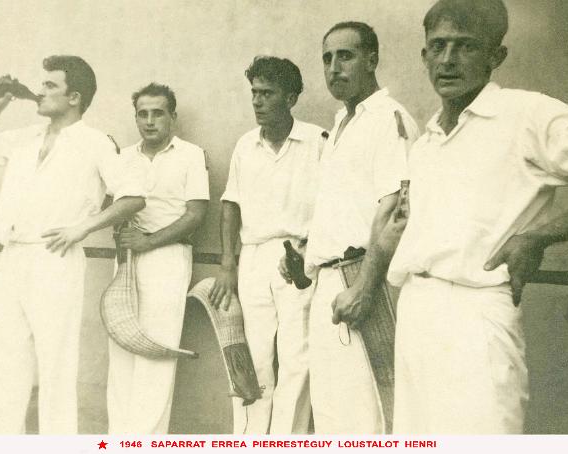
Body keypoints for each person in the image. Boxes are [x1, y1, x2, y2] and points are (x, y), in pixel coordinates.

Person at [386, 0, 568, 433]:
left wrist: (538, 237)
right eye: (438, 46)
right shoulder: (427, 140)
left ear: (496, 56)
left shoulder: (528, 114)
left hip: (478, 315)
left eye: (466, 46)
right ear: (424, 55)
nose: (448, 59)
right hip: (416, 313)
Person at [0, 55, 146, 434]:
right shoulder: (26, 137)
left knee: (56, 363)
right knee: (4, 360)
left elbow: (133, 196)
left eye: (49, 85)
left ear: (74, 97)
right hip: (14, 254)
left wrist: (82, 228)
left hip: (56, 259)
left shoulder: (95, 143)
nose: (39, 91)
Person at [301, 22, 419, 433]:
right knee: (330, 414)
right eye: (327, 58)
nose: (334, 67)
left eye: (345, 56)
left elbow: (397, 208)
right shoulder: (340, 124)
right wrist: (305, 253)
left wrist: (365, 289)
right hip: (329, 282)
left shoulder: (389, 118)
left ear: (372, 60)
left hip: (364, 280)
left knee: (364, 417)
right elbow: (343, 207)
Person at [210, 56, 325, 434]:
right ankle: (250, 439)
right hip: (254, 256)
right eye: (254, 93)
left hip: (300, 256)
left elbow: (333, 203)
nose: (257, 101)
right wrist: (228, 264)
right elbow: (231, 205)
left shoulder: (318, 141)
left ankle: (286, 439)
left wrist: (309, 250)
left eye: (267, 93)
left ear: (290, 98)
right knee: (253, 357)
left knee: (297, 358)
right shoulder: (245, 145)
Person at [108, 83, 209, 434]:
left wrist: (148, 241)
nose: (149, 121)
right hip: (126, 259)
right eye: (143, 114)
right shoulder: (122, 157)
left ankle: (147, 441)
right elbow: (113, 206)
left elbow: (195, 214)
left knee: (156, 352)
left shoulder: (192, 155)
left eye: (158, 113)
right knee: (122, 349)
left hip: (167, 258)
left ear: (172, 117)